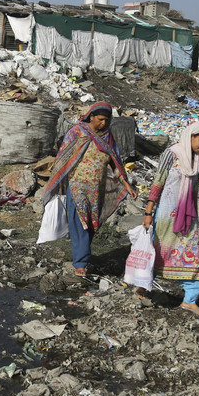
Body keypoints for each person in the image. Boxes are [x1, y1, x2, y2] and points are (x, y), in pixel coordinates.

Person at [44, 102, 137, 276]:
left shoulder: (107, 136)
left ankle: (83, 256)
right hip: (77, 184)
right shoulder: (77, 132)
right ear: (91, 116)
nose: (103, 123)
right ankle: (80, 262)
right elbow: (63, 157)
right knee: (80, 222)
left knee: (92, 223)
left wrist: (127, 185)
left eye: (107, 120)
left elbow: (115, 162)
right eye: (100, 119)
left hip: (97, 188)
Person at [139, 120, 199, 316]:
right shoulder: (171, 154)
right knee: (157, 252)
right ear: (191, 136)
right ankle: (142, 288)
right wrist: (148, 212)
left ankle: (190, 300)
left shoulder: (196, 160)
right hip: (166, 216)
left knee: (194, 255)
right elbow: (157, 183)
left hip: (188, 218)